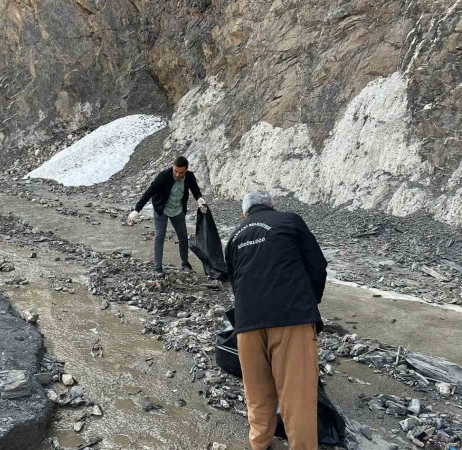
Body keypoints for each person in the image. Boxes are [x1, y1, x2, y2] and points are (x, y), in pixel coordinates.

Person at [224, 192, 328, 450]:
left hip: (247, 324)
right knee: (297, 397)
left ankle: (260, 444)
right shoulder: (290, 220)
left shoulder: (235, 236)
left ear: (245, 214)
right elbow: (318, 266)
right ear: (272, 206)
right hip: (291, 318)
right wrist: (307, 302)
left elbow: (235, 282)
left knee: (257, 393)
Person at [127, 156, 207, 277]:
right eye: (176, 171)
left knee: (183, 237)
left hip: (178, 209)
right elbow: (150, 191)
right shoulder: (164, 175)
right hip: (162, 209)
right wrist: (137, 210)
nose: (178, 174)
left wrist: (199, 198)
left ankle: (185, 263)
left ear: (186, 170)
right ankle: (158, 267)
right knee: (160, 237)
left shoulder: (189, 176)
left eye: (181, 172)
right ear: (173, 167)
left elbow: (195, 189)